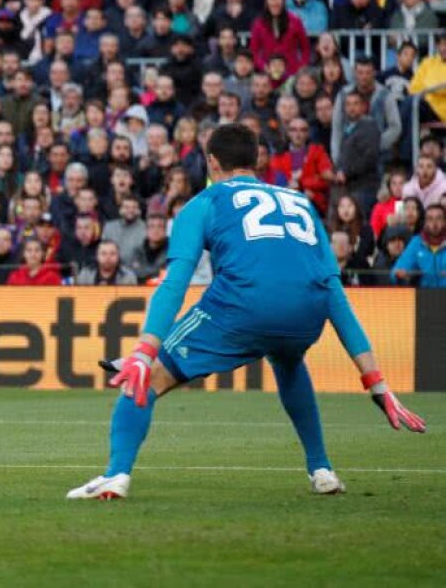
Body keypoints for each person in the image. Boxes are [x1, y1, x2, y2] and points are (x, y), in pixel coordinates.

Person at [67, 124, 424, 501]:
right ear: (256, 162)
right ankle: (321, 469)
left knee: (145, 380)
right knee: (288, 361)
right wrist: (374, 379)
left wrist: (144, 351)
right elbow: (334, 292)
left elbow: (175, 282)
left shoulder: (204, 202)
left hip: (244, 305)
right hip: (307, 315)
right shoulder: (301, 202)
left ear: (211, 162)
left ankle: (115, 475)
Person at [391, 204, 446, 288]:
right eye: (430, 219)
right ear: (425, 222)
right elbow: (399, 268)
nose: (434, 223)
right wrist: (399, 274)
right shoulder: (417, 242)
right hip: (424, 295)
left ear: (444, 221)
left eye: (439, 218)